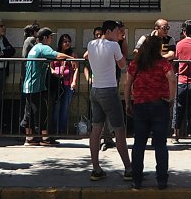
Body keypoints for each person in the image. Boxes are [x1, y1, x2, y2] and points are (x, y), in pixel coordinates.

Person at [124, 35, 175, 190]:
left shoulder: (136, 64)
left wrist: (127, 102)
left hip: (140, 105)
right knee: (160, 144)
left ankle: (137, 179)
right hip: (160, 105)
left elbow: (127, 84)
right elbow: (172, 79)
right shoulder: (162, 63)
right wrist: (171, 98)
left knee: (139, 144)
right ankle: (161, 180)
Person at [86, 20, 132, 181]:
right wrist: (121, 46)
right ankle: (128, 168)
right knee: (119, 129)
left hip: (95, 89)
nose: (118, 34)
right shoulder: (113, 46)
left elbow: (87, 57)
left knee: (96, 128)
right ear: (109, 31)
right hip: (109, 90)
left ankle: (96, 168)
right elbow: (122, 65)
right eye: (116, 32)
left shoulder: (91, 44)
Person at [21, 28, 72, 146]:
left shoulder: (34, 48)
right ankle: (45, 138)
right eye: (50, 37)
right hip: (36, 86)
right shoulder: (43, 47)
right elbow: (56, 55)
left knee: (29, 112)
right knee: (42, 111)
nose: (51, 39)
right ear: (44, 38)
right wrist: (70, 58)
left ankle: (30, 138)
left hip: (28, 85)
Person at [51, 33, 79, 135]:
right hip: (57, 82)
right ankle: (54, 129)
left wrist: (74, 81)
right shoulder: (55, 53)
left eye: (69, 41)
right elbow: (51, 66)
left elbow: (76, 69)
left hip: (68, 83)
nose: (67, 43)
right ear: (60, 43)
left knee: (65, 107)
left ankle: (62, 130)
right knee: (56, 106)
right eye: (65, 41)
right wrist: (53, 72)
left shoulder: (73, 55)